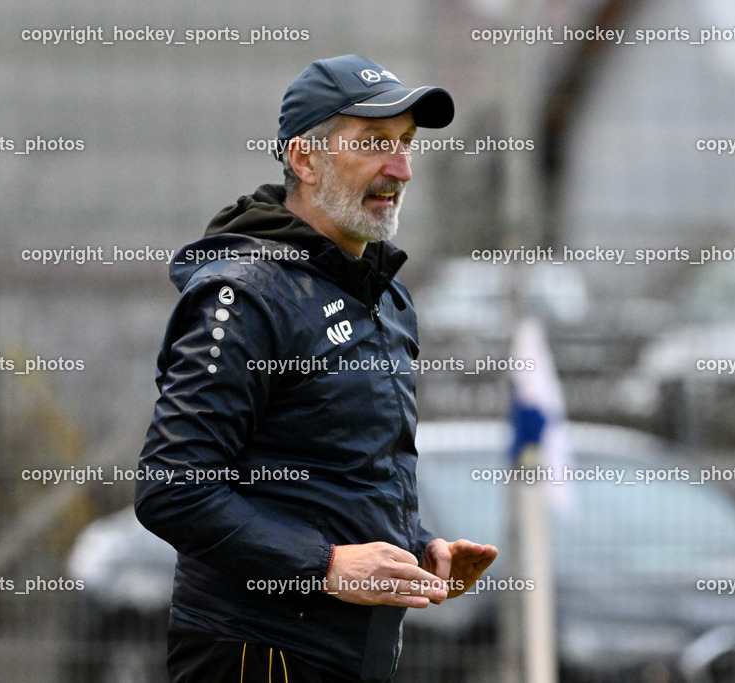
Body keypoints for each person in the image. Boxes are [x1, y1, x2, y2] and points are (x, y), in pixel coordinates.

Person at [134, 54, 498, 683]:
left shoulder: (386, 294)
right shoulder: (244, 294)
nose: (401, 168)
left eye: (407, 144)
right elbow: (172, 487)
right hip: (256, 651)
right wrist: (326, 565)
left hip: (357, 655)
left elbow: (342, 475)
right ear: (305, 159)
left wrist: (418, 547)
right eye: (374, 143)